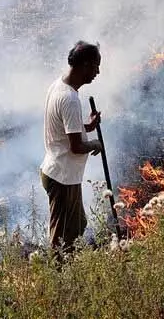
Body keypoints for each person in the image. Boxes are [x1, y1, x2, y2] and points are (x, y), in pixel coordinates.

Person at [40, 41, 103, 256]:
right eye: (96, 66)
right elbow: (76, 146)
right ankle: (59, 281)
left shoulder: (59, 86)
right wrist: (95, 144)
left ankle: (68, 271)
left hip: (62, 173)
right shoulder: (69, 98)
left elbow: (67, 129)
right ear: (85, 65)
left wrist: (87, 126)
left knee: (77, 226)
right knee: (62, 239)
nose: (98, 72)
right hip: (63, 177)